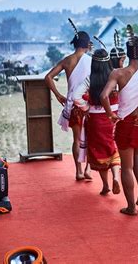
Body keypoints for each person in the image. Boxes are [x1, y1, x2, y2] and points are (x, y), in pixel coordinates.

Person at [100, 35, 138, 216]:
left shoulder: (118, 73)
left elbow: (104, 96)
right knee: (137, 155)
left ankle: (131, 207)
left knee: (126, 166)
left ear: (128, 53)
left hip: (126, 122)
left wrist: (110, 114)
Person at [45, 29, 92, 181]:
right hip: (87, 103)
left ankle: (78, 171)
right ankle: (88, 169)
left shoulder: (67, 60)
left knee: (77, 139)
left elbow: (48, 77)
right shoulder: (91, 60)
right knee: (91, 138)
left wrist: (58, 95)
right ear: (87, 44)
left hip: (73, 104)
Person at [73, 49, 121, 196]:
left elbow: (76, 96)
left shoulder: (90, 79)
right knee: (114, 148)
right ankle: (116, 177)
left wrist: (87, 107)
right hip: (113, 116)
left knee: (99, 152)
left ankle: (106, 185)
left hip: (95, 120)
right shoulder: (115, 77)